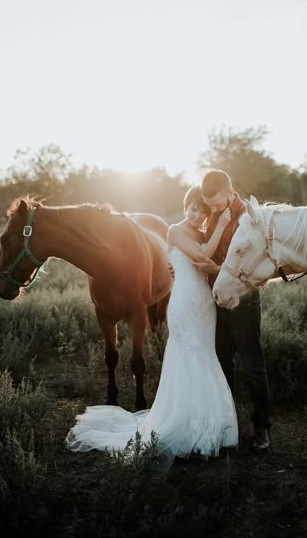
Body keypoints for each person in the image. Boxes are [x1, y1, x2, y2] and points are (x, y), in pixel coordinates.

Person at [65, 186, 238, 464]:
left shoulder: (204, 232)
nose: (196, 215)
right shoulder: (175, 231)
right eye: (193, 209)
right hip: (183, 303)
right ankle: (181, 420)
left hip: (204, 303)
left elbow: (211, 258)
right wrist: (223, 224)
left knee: (205, 354)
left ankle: (208, 418)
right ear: (186, 207)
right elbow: (203, 255)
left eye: (202, 211)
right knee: (186, 353)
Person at [193, 169, 271, 451]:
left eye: (216, 203)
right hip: (218, 298)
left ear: (229, 191)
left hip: (243, 300)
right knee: (222, 363)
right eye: (209, 204)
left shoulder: (249, 217)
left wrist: (215, 269)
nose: (212, 209)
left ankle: (262, 428)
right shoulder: (214, 214)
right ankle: (228, 424)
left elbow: (254, 263)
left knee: (252, 365)